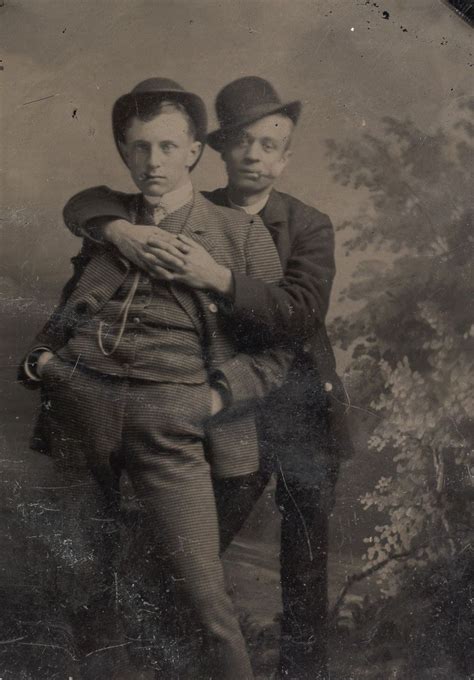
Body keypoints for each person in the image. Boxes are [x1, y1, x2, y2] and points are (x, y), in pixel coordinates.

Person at [61, 76, 354, 680]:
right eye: (243, 142)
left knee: (302, 566)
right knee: (191, 558)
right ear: (214, 149)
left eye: (271, 144)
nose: (255, 156)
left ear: (287, 154)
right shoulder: (196, 207)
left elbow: (299, 314)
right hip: (225, 411)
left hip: (297, 410)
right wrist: (117, 229)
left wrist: (216, 277)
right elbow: (89, 203)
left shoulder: (306, 224)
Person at [19, 78, 295, 680]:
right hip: (80, 402)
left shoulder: (240, 233)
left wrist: (214, 398)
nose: (153, 162)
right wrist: (45, 363)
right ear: (123, 149)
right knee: (86, 588)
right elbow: (75, 298)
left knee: (206, 605)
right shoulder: (108, 221)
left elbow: (277, 353)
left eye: (168, 147)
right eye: (139, 147)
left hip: (174, 416)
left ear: (196, 149)